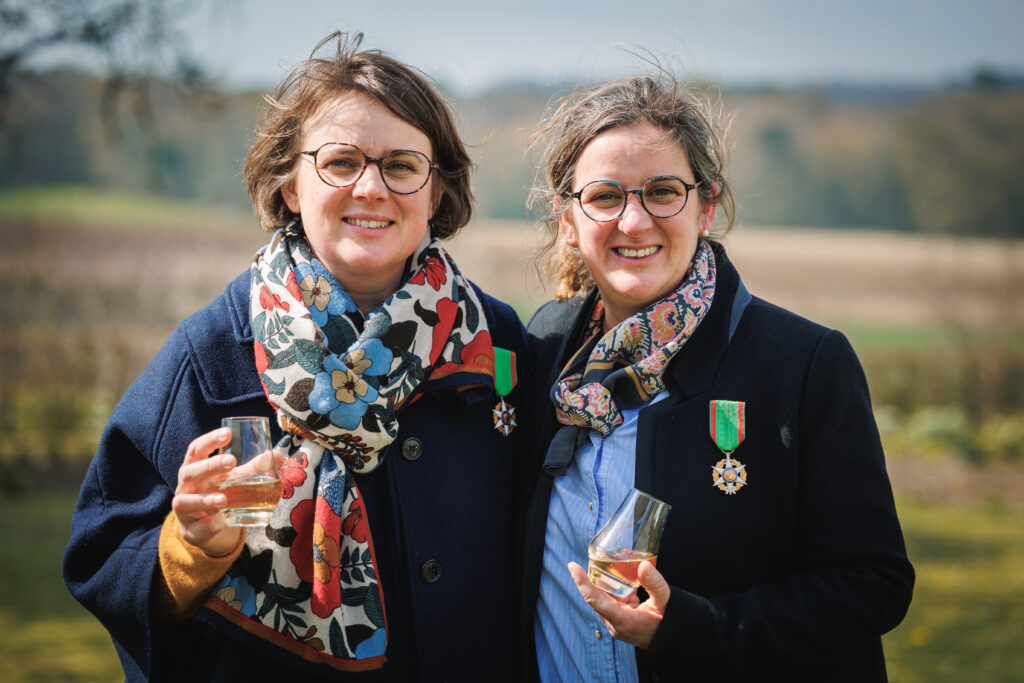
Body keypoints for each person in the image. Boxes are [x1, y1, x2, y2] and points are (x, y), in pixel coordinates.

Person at [63, 32, 529, 682]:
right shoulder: (212, 352)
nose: (371, 187)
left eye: (401, 166)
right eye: (341, 161)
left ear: (436, 192)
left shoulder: (496, 341)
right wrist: (191, 548)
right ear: (289, 184)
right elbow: (105, 556)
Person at [520, 74, 914, 682]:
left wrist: (690, 627)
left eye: (662, 192)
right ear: (567, 219)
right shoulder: (546, 346)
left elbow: (873, 585)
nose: (634, 221)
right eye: (604, 196)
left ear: (706, 206)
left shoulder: (802, 363)